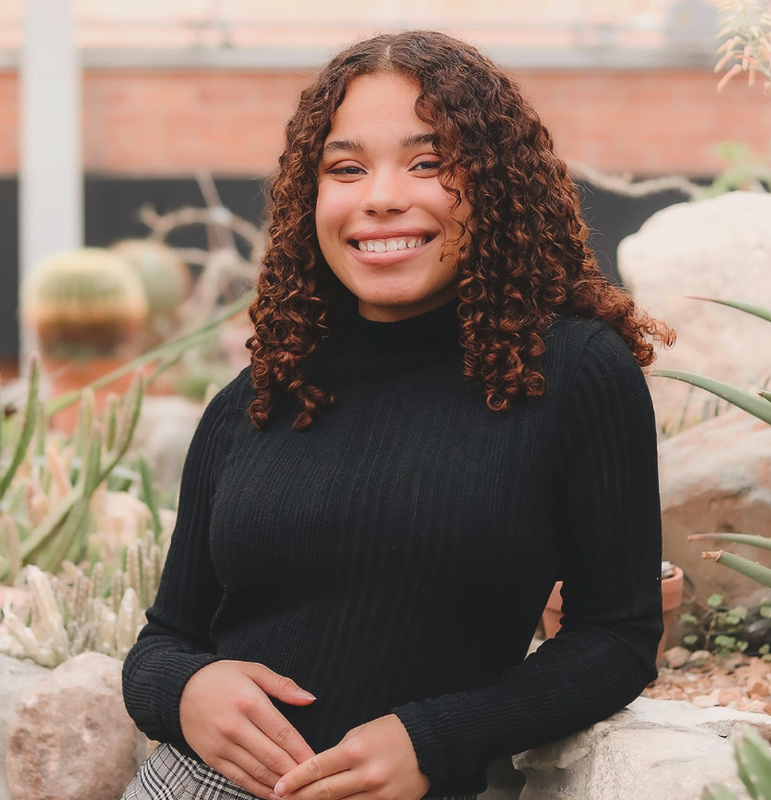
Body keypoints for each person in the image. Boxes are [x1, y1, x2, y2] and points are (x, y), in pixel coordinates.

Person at [121, 29, 674, 800]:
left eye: (429, 162)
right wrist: (184, 690)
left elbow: (615, 638)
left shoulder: (571, 372)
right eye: (346, 169)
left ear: (496, 184)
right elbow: (164, 640)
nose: (380, 195)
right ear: (310, 198)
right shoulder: (257, 398)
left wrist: (436, 738)